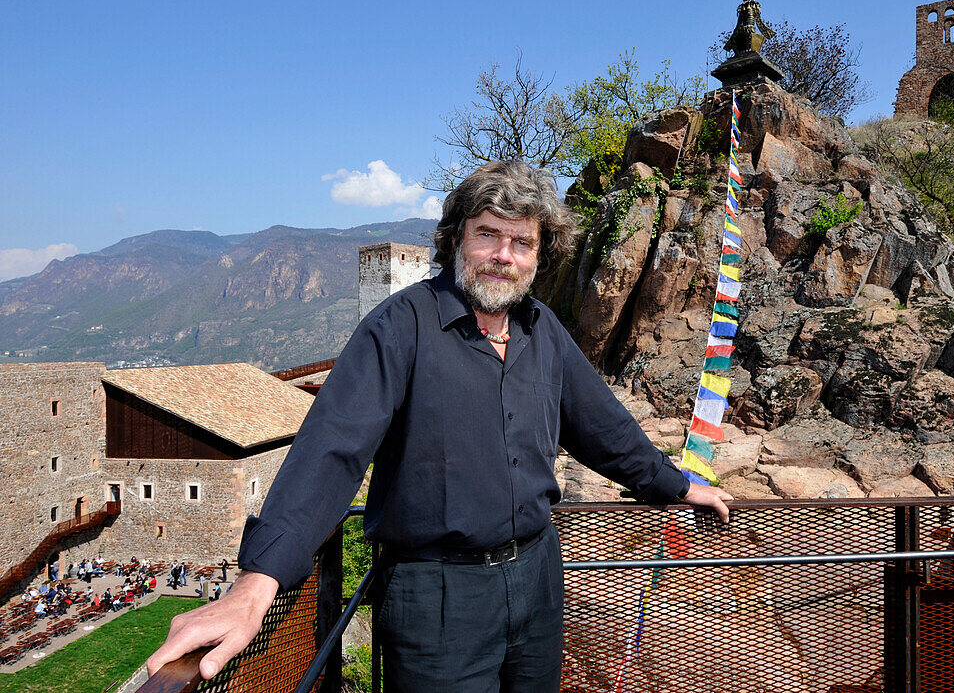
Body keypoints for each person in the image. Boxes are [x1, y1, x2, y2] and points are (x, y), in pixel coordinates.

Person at [146, 160, 733, 691]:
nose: (505, 255)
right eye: (488, 235)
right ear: (455, 240)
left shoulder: (542, 330)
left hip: (537, 580)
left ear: (538, 255)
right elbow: (332, 451)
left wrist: (675, 485)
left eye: (522, 242)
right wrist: (258, 580)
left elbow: (602, 427)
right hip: (437, 599)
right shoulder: (400, 327)